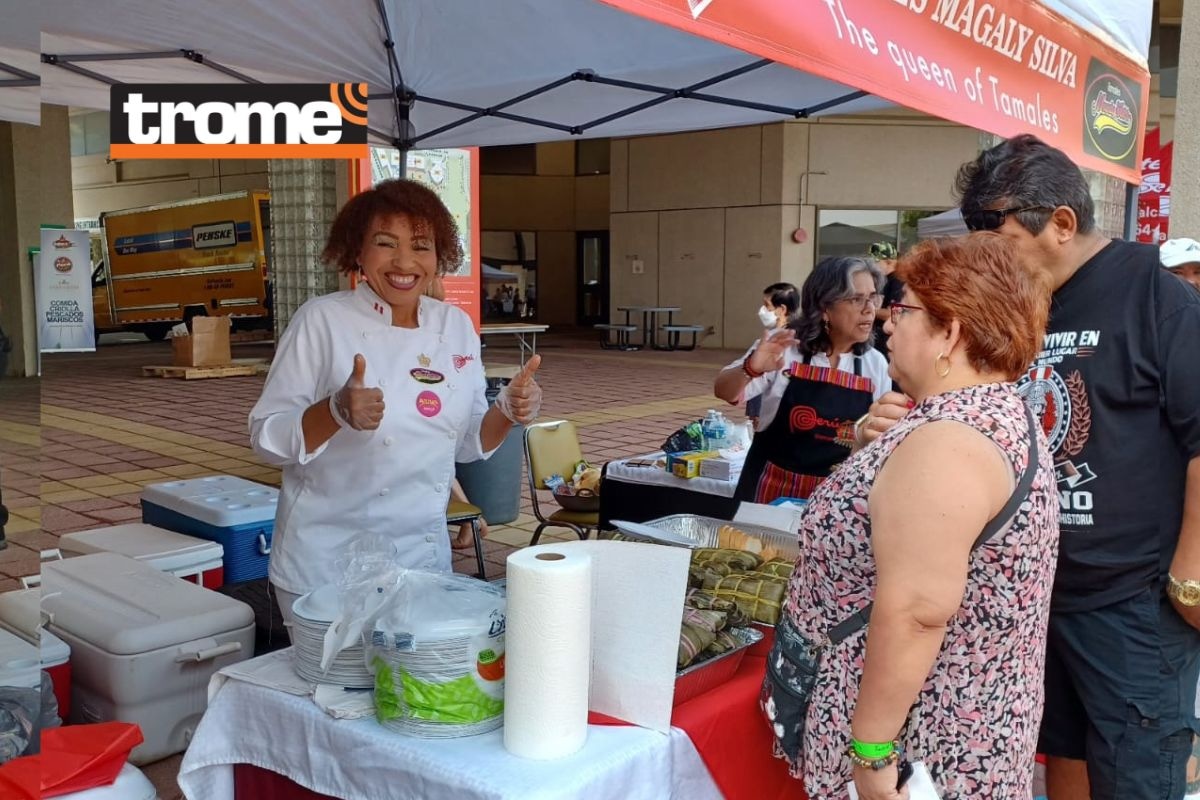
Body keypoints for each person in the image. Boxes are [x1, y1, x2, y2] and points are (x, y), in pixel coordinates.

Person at [862, 134, 1200, 800]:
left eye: (1004, 236)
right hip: (1026, 593)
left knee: (1135, 771)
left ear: (1063, 225)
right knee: (1059, 758)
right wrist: (891, 424)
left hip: (1132, 598)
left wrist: (1190, 574)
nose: (990, 255)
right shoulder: (1009, 303)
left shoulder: (1157, 298)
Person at [763, 233, 1058, 799]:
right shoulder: (987, 414)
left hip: (921, 749)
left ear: (951, 331)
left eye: (902, 310)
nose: (886, 324)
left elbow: (917, 612)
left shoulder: (947, 441)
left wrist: (872, 756)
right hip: (961, 724)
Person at [249, 179, 543, 625]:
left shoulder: (455, 326)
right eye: (386, 244)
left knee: (412, 691)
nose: (404, 262)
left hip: (421, 562)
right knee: (335, 693)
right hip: (327, 565)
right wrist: (334, 412)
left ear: (438, 255)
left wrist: (508, 410)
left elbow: (465, 444)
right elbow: (266, 439)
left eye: (421, 246)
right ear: (358, 252)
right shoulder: (322, 320)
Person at [714, 257, 890, 503]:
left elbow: (874, 438)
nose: (869, 308)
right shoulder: (784, 346)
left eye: (873, 297)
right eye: (856, 299)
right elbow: (725, 391)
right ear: (824, 307)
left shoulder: (875, 363)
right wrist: (752, 368)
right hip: (771, 490)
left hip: (834, 499)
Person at [745, 282, 800, 430]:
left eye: (766, 305)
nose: (762, 311)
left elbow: (753, 380)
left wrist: (754, 413)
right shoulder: (798, 335)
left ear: (782, 309)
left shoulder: (775, 341)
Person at [868, 242, 903, 358]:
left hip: (886, 343)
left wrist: (867, 309)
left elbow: (893, 314)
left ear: (889, 262)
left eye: (876, 261)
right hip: (875, 340)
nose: (872, 265)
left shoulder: (897, 282)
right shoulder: (882, 280)